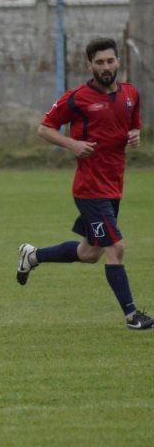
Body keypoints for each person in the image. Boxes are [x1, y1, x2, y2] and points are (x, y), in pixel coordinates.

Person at [16, 37, 153, 330]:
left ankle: (33, 255)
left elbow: (133, 127)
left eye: (110, 61)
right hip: (90, 189)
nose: (106, 67)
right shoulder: (77, 98)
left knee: (89, 253)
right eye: (99, 62)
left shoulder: (130, 93)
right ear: (90, 65)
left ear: (119, 62)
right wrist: (72, 144)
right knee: (116, 247)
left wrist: (135, 137)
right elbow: (44, 128)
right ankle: (132, 317)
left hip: (114, 185)